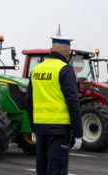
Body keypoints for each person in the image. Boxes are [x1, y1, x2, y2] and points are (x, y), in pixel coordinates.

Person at [26, 25, 83, 175]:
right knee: (57, 170)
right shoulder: (64, 69)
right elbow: (73, 102)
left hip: (40, 129)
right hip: (59, 130)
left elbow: (28, 101)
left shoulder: (36, 70)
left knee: (42, 170)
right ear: (67, 52)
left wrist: (33, 128)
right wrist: (78, 133)